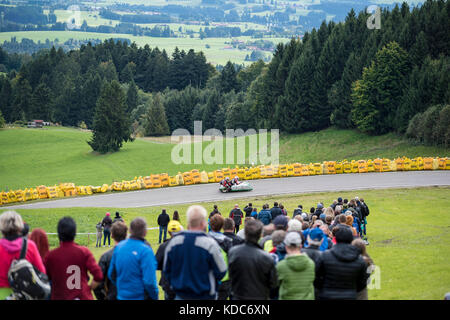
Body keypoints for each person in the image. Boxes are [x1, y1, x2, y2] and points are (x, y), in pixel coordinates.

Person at [163, 205, 227, 300]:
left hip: (181, 294)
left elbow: (166, 271)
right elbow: (221, 271)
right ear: (203, 223)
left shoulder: (174, 243)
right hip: (204, 294)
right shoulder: (210, 244)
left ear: (188, 222)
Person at [44, 217, 103, 300]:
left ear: (59, 233)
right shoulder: (84, 252)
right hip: (81, 296)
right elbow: (99, 276)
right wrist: (87, 289)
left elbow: (44, 279)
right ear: (75, 232)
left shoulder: (51, 256)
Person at [109, 218, 158, 300]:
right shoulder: (146, 251)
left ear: (130, 231)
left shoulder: (118, 248)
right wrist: (154, 296)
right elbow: (150, 281)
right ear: (145, 232)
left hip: (122, 296)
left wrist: (122, 288)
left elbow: (112, 274)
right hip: (140, 296)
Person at [0, 211, 46, 300]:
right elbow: (41, 271)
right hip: (25, 292)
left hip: (2, 293)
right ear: (19, 226)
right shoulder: (30, 246)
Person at [228, 219, 278, 300]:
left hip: (238, 296)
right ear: (261, 235)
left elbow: (230, 276)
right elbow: (273, 284)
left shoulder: (233, 252)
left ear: (245, 233)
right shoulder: (267, 258)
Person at [315, 226, 368, 300]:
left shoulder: (324, 256)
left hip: (328, 295)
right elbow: (362, 283)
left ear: (335, 238)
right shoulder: (360, 260)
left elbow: (317, 279)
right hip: (349, 296)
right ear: (351, 240)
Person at [276, 232, 315, 300]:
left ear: (286, 247)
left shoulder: (281, 266)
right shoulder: (311, 264)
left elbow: (275, 285)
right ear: (300, 246)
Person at [95, 221, 128, 300]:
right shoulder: (136, 255)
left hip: (112, 296)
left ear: (112, 235)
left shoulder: (105, 257)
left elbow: (98, 284)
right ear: (126, 235)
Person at [155, 220, 183, 300]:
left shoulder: (163, 246)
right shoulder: (186, 245)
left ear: (168, 232)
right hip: (183, 284)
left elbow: (156, 264)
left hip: (168, 284)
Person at [208, 214, 233, 300]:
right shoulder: (227, 241)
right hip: (224, 280)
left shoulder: (203, 240)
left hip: (207, 279)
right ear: (222, 226)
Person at [302, 228, 324, 299]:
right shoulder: (324, 256)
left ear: (308, 238)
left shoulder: (300, 253)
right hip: (318, 290)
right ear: (322, 240)